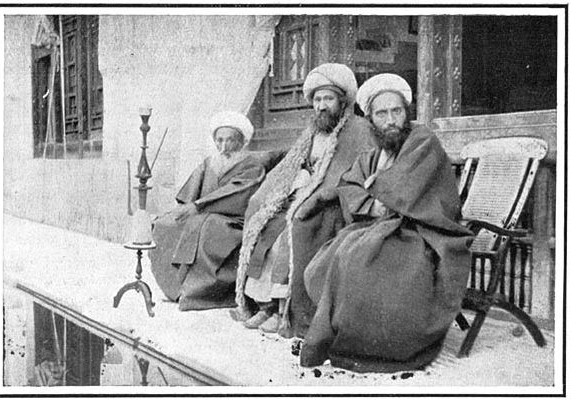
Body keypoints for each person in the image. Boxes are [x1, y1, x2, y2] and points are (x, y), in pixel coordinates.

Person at [299, 74, 473, 372]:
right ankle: (346, 335)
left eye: (397, 111)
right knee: (334, 254)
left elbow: (404, 187)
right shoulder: (375, 152)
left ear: (407, 113)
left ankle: (379, 345)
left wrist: (377, 190)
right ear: (371, 119)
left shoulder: (422, 140)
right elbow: (350, 184)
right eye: (382, 114)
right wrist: (372, 202)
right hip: (386, 227)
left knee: (359, 258)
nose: (391, 120)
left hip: (427, 234)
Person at [232, 63, 376, 337]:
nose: (322, 106)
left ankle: (283, 310)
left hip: (331, 204)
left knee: (288, 235)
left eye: (328, 99)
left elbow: (358, 174)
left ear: (342, 101)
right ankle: (264, 306)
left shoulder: (359, 130)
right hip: (300, 194)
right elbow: (291, 163)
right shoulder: (312, 132)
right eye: (318, 99)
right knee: (264, 223)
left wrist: (321, 190)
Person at [149, 111, 267, 311]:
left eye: (230, 140)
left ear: (242, 142)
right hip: (202, 214)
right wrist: (184, 210)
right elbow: (189, 195)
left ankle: (200, 294)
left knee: (208, 228)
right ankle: (175, 289)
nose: (224, 146)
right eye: (219, 140)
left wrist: (198, 206)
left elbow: (236, 194)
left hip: (233, 220)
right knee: (165, 223)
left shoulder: (252, 166)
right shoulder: (209, 162)